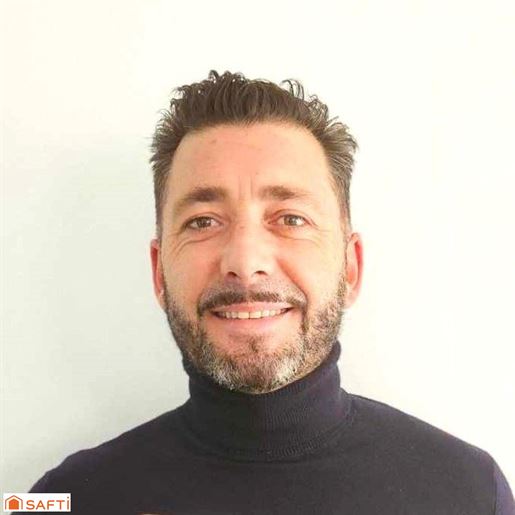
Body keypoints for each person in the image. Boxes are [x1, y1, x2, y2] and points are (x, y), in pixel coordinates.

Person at [20, 70, 513, 514]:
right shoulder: (61, 500)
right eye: (203, 221)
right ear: (159, 273)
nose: (245, 260)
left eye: (290, 218)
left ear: (350, 267)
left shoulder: (471, 492)